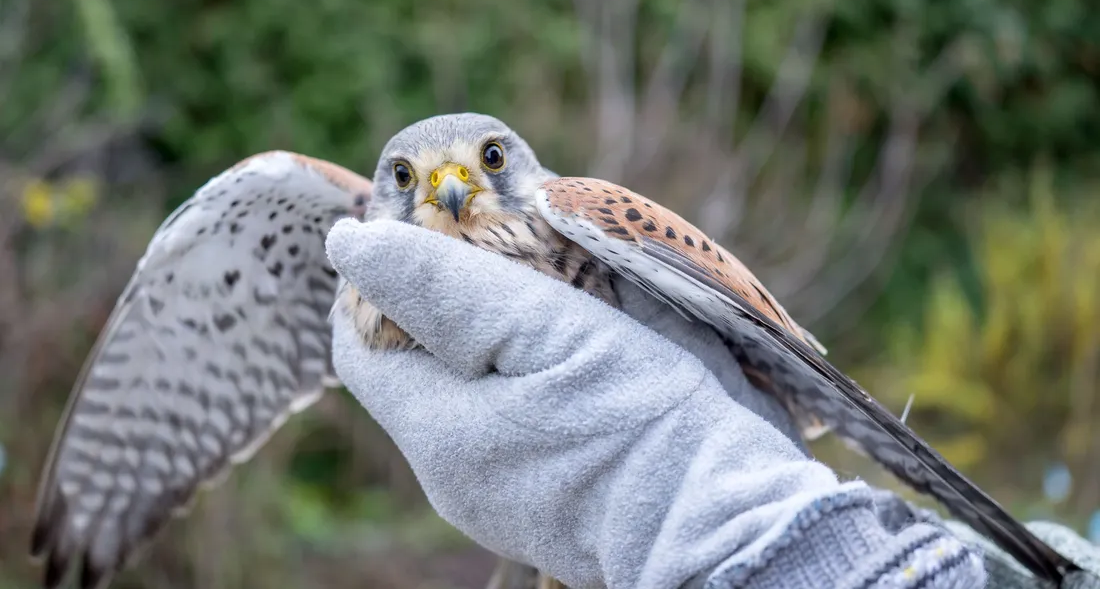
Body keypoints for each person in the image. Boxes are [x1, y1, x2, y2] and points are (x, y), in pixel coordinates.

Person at [326, 218, 1100, 589]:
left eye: (485, 161)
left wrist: (756, 537)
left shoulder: (574, 211)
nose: (450, 192)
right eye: (412, 181)